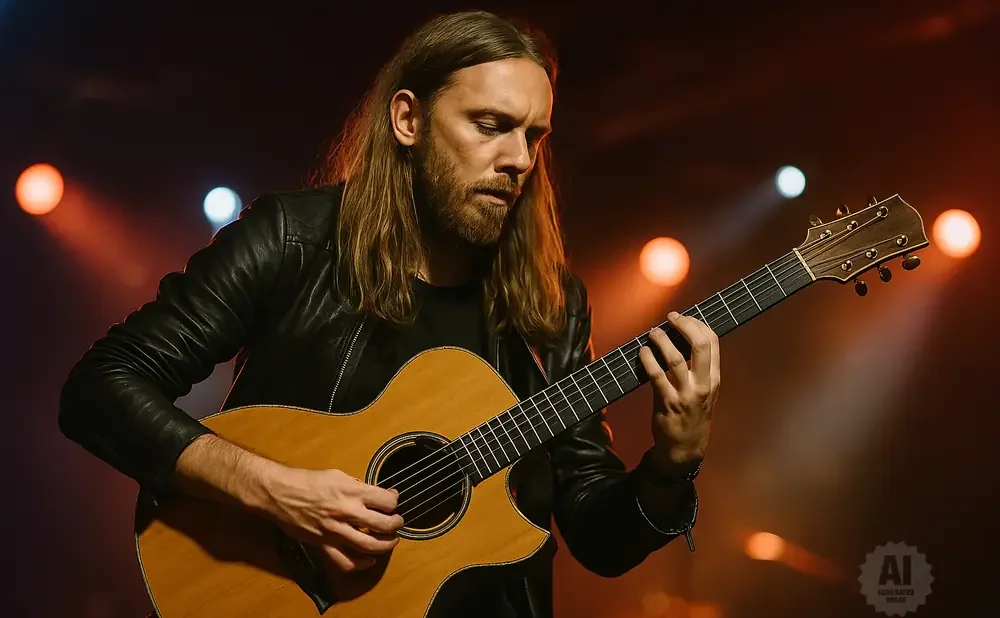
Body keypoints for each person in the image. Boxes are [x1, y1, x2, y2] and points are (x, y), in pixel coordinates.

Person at [58, 10, 721, 618]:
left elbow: (601, 542)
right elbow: (100, 389)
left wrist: (673, 462)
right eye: (490, 125)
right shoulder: (292, 241)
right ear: (408, 120)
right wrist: (277, 491)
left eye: (533, 136)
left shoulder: (551, 303)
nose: (518, 159)